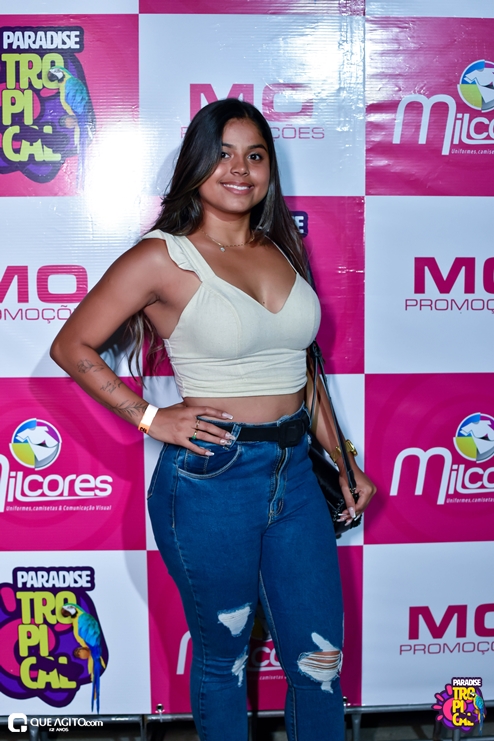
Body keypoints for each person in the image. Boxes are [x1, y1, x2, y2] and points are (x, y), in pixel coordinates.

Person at [51, 99, 375, 741]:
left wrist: (343, 460)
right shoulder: (163, 257)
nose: (240, 170)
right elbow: (72, 346)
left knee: (320, 663)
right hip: (211, 477)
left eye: (255, 156)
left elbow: (302, 371)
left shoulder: (282, 247)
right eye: (223, 154)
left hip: (296, 477)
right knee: (223, 662)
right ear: (196, 163)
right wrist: (150, 417)